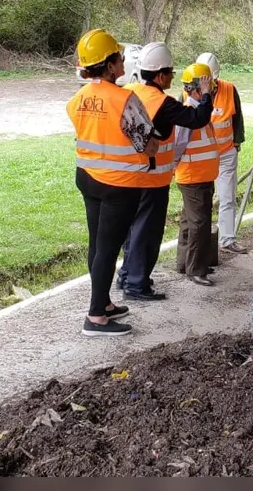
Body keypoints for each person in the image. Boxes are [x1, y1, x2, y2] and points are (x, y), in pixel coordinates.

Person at [67, 29, 162, 337]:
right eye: (118, 57)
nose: (123, 60)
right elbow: (148, 145)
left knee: (97, 244)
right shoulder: (125, 99)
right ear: (108, 65)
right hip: (119, 185)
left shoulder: (79, 98)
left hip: (88, 178)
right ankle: (95, 317)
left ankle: (104, 302)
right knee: (107, 249)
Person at [116, 43, 213, 300]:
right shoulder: (163, 103)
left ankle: (126, 275)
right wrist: (206, 95)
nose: (173, 77)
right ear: (159, 75)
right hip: (152, 177)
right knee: (147, 231)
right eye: (170, 72)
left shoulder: (129, 90)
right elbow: (198, 119)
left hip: (128, 175)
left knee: (132, 228)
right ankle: (137, 284)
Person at [195, 52, 248, 254]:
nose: (210, 84)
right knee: (200, 201)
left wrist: (236, 143)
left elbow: (238, 118)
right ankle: (201, 244)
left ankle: (227, 239)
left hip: (225, 153)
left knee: (227, 197)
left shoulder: (229, 89)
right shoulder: (188, 92)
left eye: (212, 80)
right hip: (200, 157)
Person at [173, 63, 219, 286]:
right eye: (206, 86)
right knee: (199, 224)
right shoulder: (189, 115)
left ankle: (185, 263)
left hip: (200, 176)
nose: (211, 90)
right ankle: (196, 270)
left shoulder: (199, 112)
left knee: (189, 221)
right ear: (194, 88)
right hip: (193, 178)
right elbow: (177, 147)